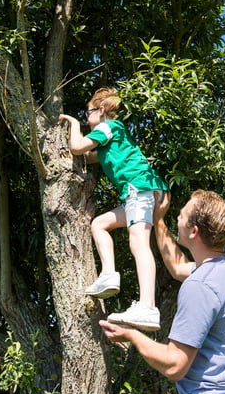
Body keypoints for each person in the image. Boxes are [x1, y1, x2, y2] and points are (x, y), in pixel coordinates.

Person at [100, 190, 225, 394]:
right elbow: (177, 266)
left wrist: (132, 335)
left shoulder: (200, 286)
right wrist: (158, 220)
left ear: (194, 232)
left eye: (181, 216)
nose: (178, 218)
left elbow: (175, 365)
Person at [58, 87, 168, 331]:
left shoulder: (109, 127)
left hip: (140, 188)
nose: (87, 119)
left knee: (138, 243)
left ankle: (148, 306)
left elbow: (77, 147)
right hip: (138, 193)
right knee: (99, 224)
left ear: (101, 110)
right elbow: (88, 156)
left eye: (88, 113)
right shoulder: (110, 137)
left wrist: (73, 124)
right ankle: (109, 275)